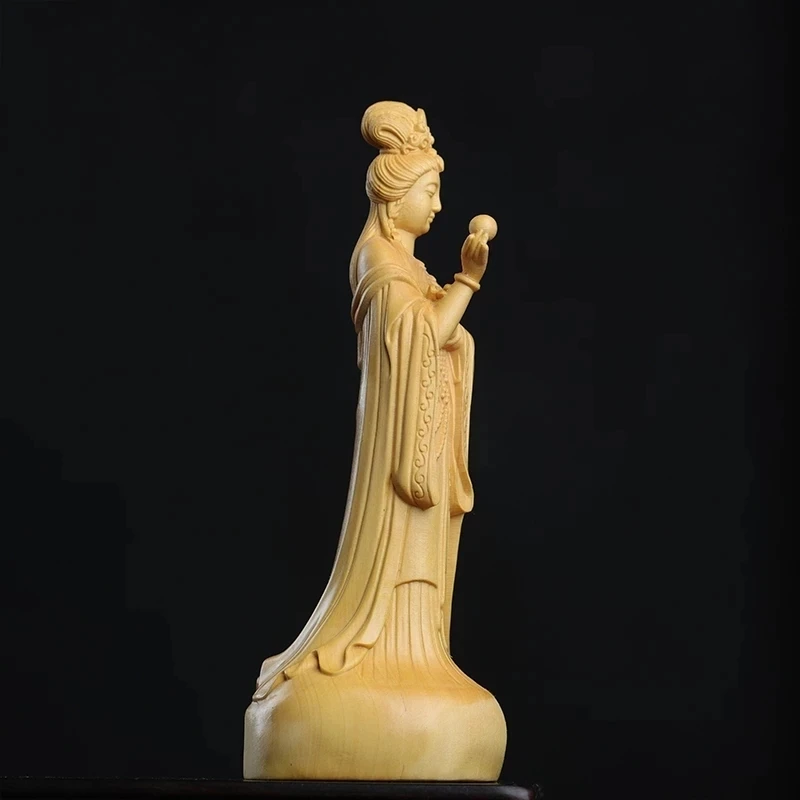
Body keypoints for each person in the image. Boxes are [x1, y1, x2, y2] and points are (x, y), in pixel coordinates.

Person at [244, 101, 505, 781]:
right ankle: (378, 652)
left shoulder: (413, 270)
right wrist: (468, 281)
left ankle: (420, 653)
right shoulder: (379, 260)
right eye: (430, 192)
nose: (438, 206)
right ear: (394, 198)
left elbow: (443, 338)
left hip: (426, 444)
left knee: (426, 567)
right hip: (396, 452)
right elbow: (421, 335)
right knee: (387, 563)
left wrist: (449, 307)